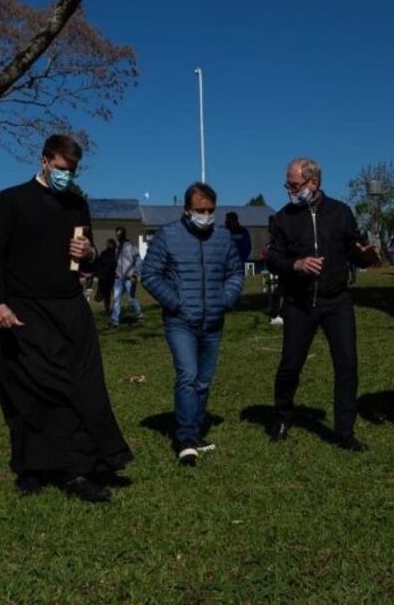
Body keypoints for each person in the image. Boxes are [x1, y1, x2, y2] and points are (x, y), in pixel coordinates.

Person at [0, 134, 132, 502]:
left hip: (68, 308)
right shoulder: (12, 200)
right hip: (23, 309)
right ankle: (32, 467)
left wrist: (89, 251)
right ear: (45, 161)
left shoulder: (77, 204)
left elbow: (85, 262)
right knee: (29, 392)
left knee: (81, 387)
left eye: (73, 170)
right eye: (62, 168)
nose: (67, 175)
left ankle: (78, 471)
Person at [267, 157, 380, 452]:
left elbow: (354, 250)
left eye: (293, 184)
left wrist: (366, 254)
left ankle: (345, 430)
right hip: (299, 303)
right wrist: (297, 264)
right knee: (290, 365)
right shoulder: (282, 219)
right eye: (288, 185)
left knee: (347, 366)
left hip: (337, 302)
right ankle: (282, 417)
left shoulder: (340, 212)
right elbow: (274, 259)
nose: (289, 190)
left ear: (312, 183)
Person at [141, 183, 244, 466]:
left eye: (211, 210)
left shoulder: (223, 238)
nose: (207, 216)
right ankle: (186, 438)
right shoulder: (168, 235)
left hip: (213, 321)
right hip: (180, 322)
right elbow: (149, 274)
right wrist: (175, 303)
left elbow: (235, 272)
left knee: (203, 380)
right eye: (201, 210)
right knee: (187, 375)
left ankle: (195, 431)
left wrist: (226, 299)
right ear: (187, 210)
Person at [109, 226, 143, 328]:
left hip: (130, 278)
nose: (118, 236)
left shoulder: (132, 246)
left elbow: (139, 262)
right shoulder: (117, 248)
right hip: (119, 279)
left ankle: (139, 317)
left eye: (119, 234)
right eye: (116, 234)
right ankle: (115, 321)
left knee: (131, 299)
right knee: (116, 300)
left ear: (124, 234)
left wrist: (135, 275)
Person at [95, 238, 118, 314]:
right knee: (112, 294)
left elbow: (99, 265)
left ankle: (109, 309)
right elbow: (100, 265)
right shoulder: (115, 253)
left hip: (108, 276)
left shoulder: (107, 253)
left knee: (109, 294)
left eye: (108, 243)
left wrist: (99, 275)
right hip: (110, 276)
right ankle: (110, 309)